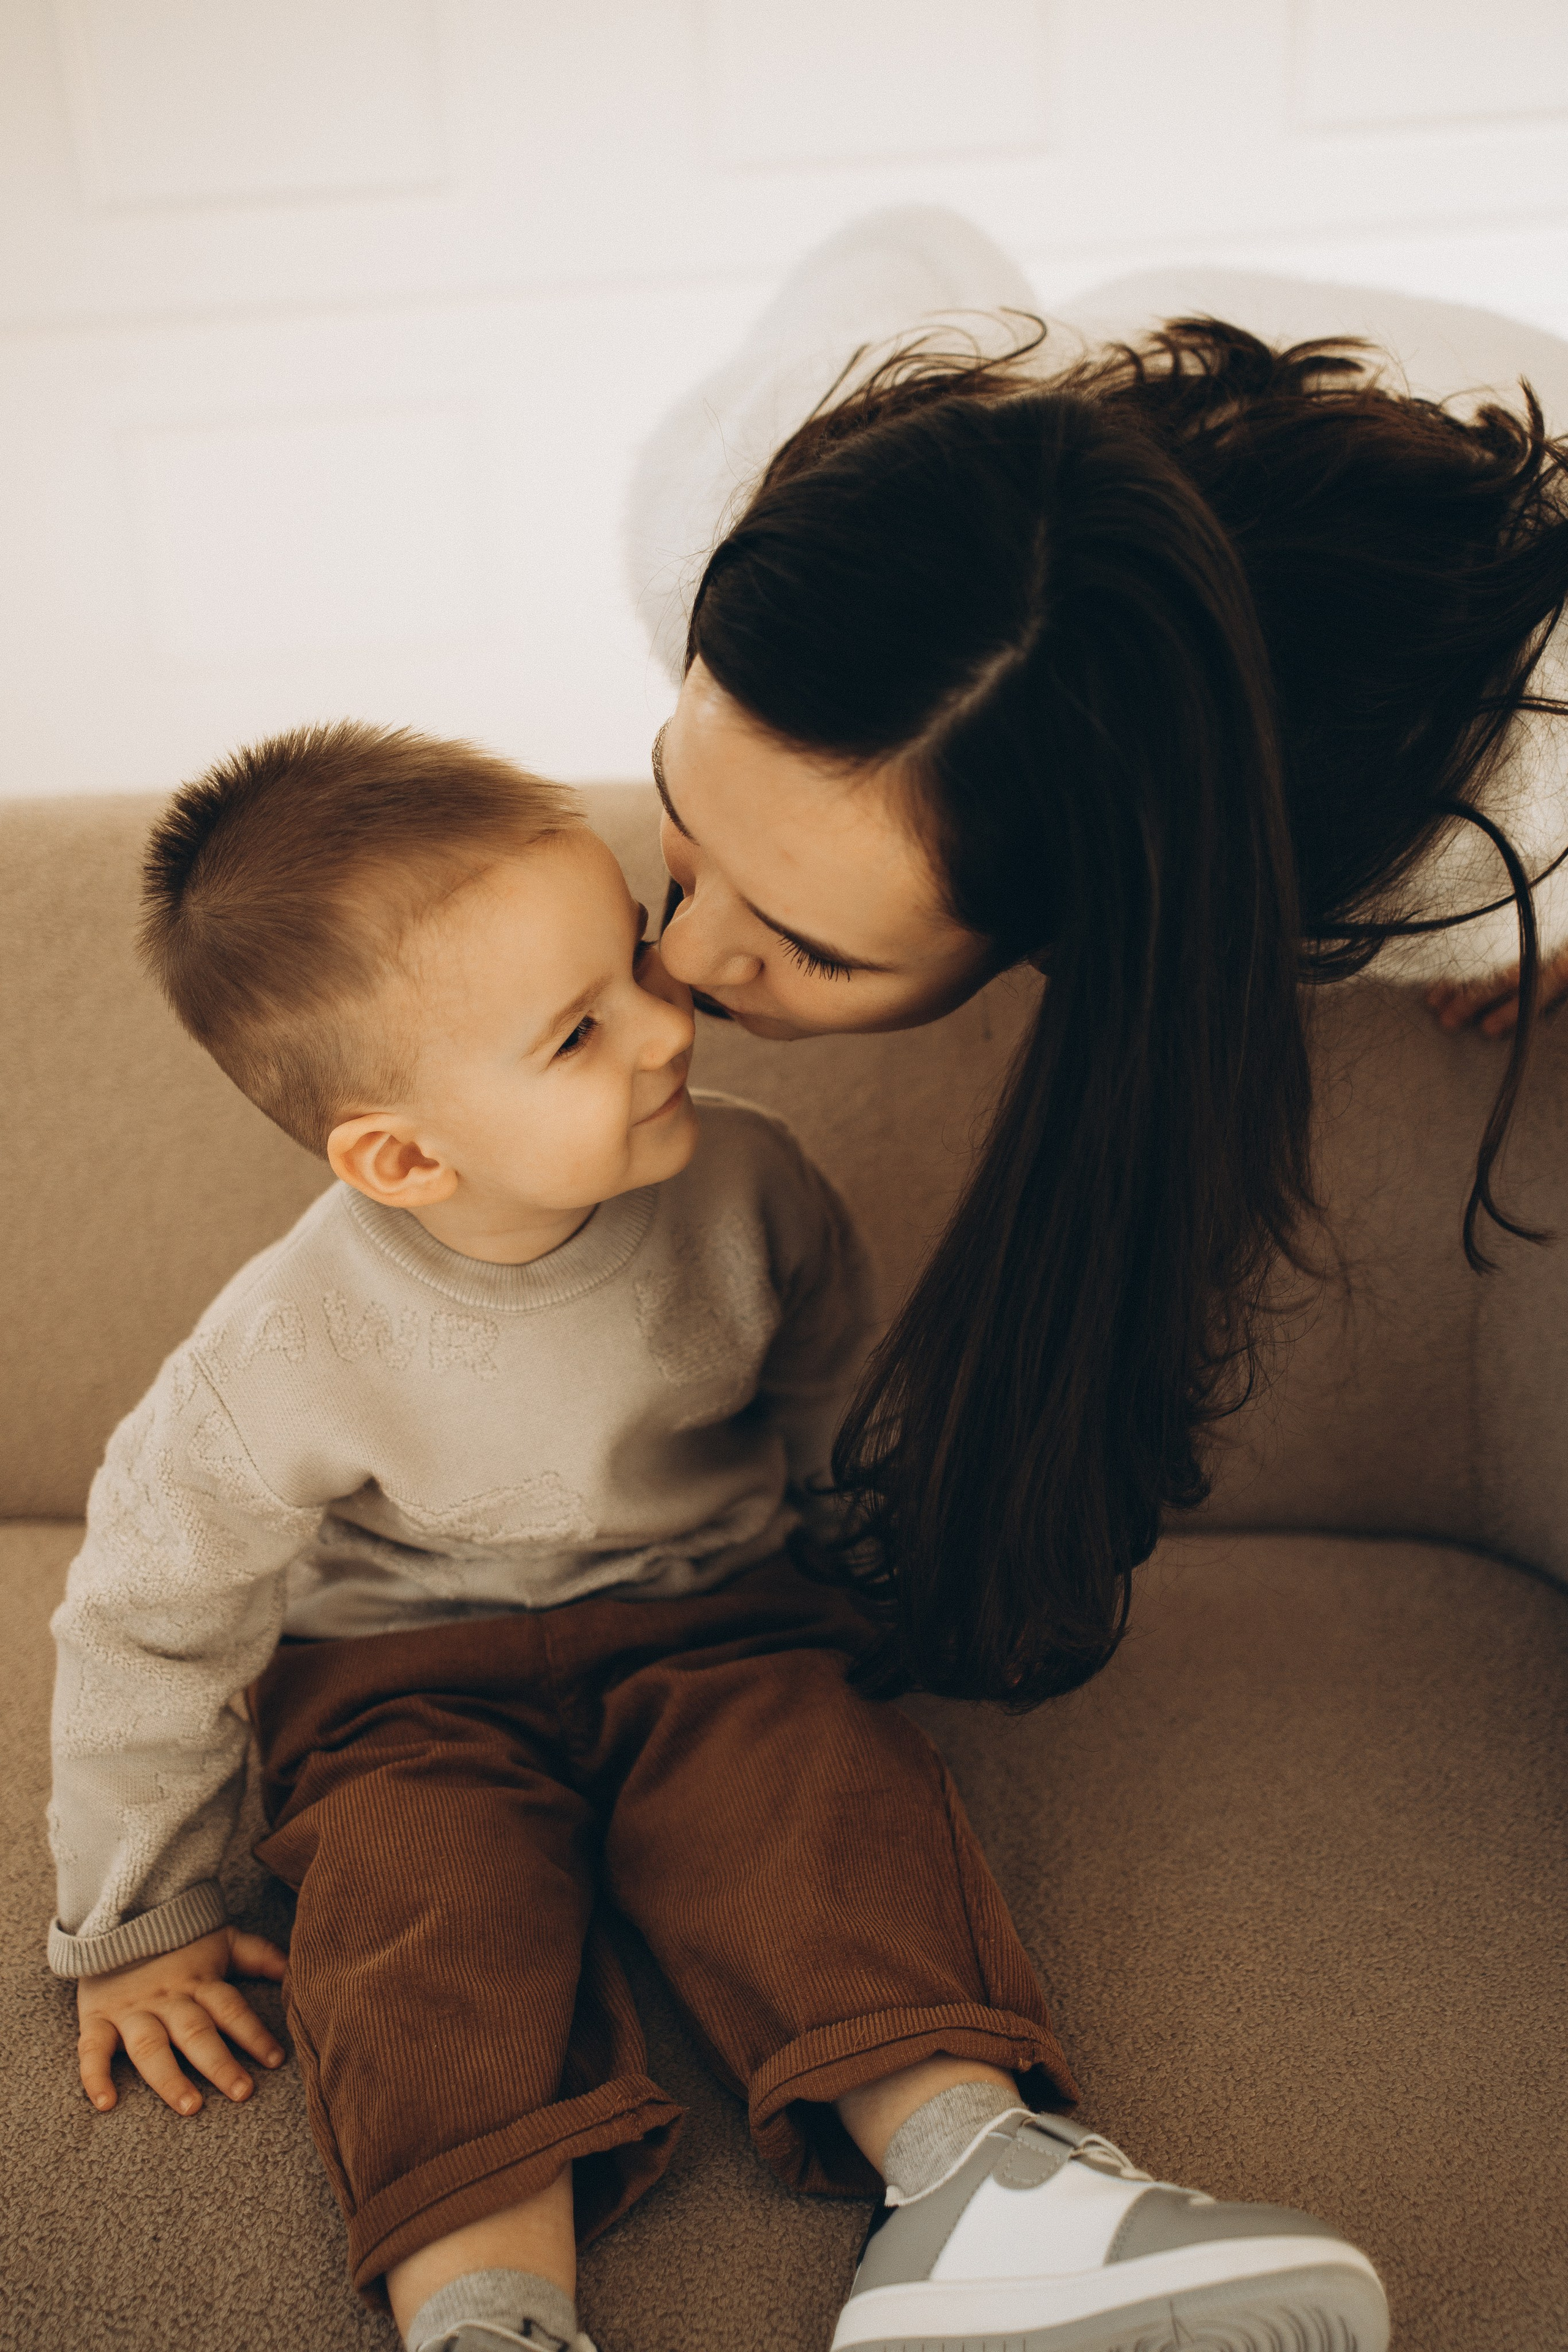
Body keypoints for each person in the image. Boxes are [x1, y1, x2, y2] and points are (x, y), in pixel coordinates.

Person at [44, 723, 1391, 2352]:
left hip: (713, 1622)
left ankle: (987, 2191)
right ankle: (487, 2313)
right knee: (420, 1927)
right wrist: (140, 1923)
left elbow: (833, 1392)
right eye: (576, 1032)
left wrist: (878, 1562)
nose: (666, 1019)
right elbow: (147, 1617)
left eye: (630, 956)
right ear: (403, 1156)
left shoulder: (750, 1182)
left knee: (813, 1794)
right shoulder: (274, 1355)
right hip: (407, 1684)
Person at [625, 206, 1568, 1719]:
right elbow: (908, 234)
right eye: (678, 822)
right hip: (1044, 403)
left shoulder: (1492, 815)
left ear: (1093, 937)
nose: (679, 957)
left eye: (807, 946)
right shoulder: (721, 499)